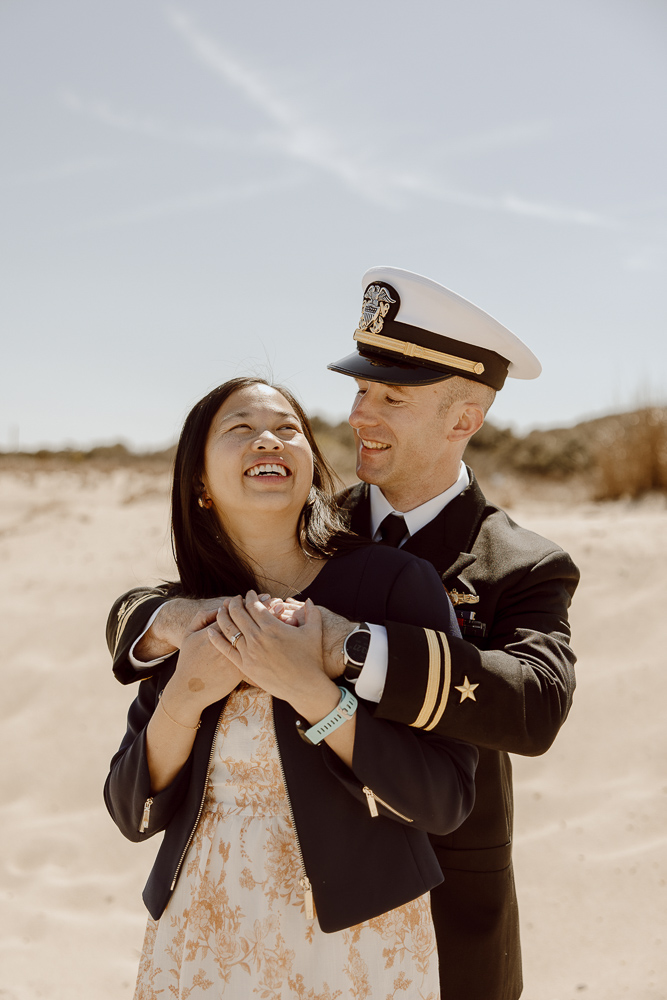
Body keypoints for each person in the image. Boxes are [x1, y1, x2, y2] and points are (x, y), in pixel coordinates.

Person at [107, 268, 579, 1000]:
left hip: (438, 905)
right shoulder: (308, 518)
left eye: (390, 398)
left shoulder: (520, 563)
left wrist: (342, 648)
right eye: (360, 391)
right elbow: (199, 579)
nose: (359, 416)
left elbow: (535, 705)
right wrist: (164, 620)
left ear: (463, 418)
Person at [105, 375, 478, 998]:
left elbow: (445, 799)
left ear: (310, 464)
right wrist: (186, 693)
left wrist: (315, 695)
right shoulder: (182, 614)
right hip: (203, 929)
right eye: (239, 429)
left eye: (287, 429)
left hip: (358, 939)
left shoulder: (393, 587)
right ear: (199, 483)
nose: (267, 440)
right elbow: (131, 813)